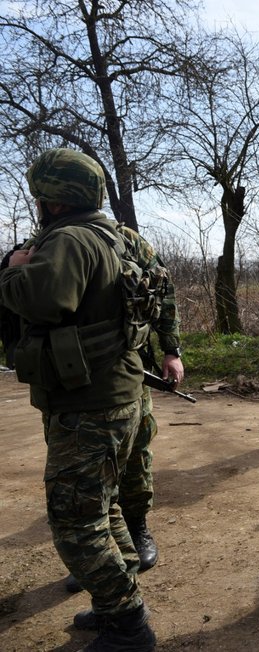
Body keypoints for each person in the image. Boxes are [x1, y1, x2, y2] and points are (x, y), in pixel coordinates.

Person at [0, 148, 155, 649]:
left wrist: (10, 269)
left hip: (88, 403)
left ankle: (127, 624)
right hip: (115, 391)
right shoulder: (113, 236)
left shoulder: (68, 239)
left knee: (74, 522)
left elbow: (45, 300)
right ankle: (116, 592)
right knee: (102, 505)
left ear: (52, 199)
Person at [63, 225, 184, 599]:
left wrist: (171, 349)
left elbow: (163, 292)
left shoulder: (126, 240)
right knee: (83, 468)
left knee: (135, 452)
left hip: (129, 367)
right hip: (69, 379)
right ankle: (99, 558)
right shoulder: (49, 240)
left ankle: (137, 527)